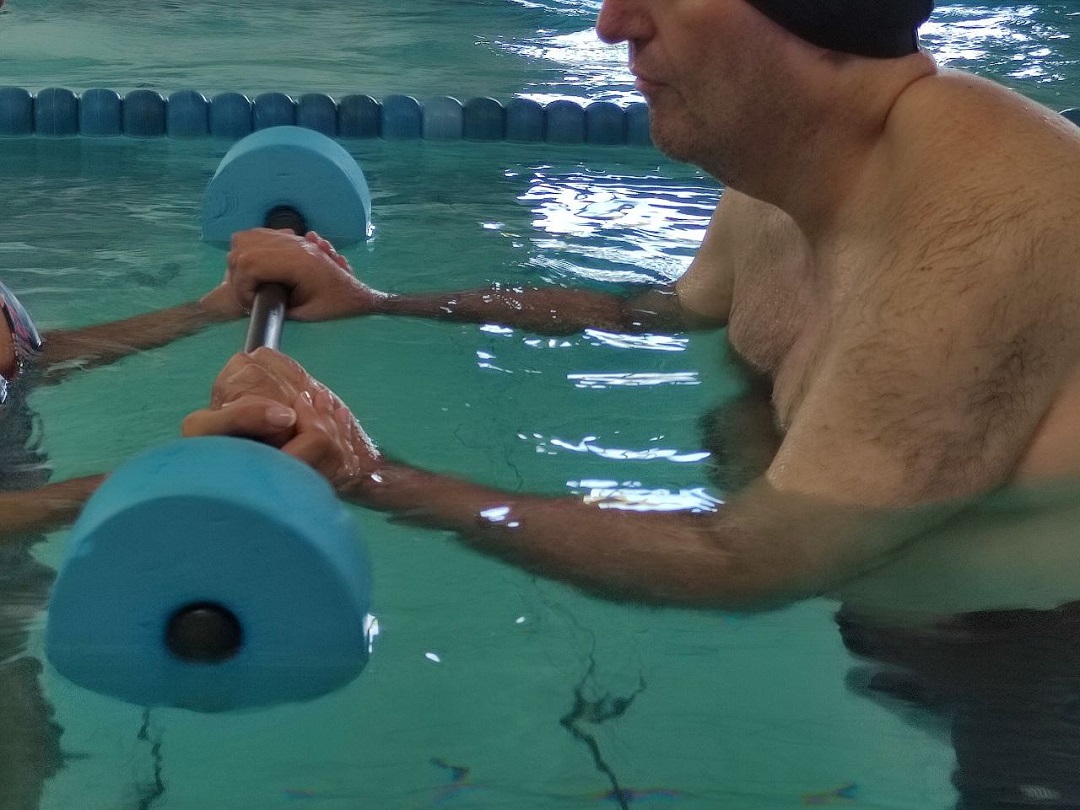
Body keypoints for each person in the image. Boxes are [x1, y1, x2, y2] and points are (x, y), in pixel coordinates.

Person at [183, 1, 1080, 806]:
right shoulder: (788, 175)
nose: (613, 23)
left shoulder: (986, 205)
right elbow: (649, 313)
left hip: (1046, 674)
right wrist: (380, 302)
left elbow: (753, 558)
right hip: (923, 627)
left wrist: (373, 474)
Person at [0, 270, 249, 810]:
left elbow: (31, 364)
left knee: (29, 751)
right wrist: (112, 489)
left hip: (12, 582)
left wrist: (208, 311)